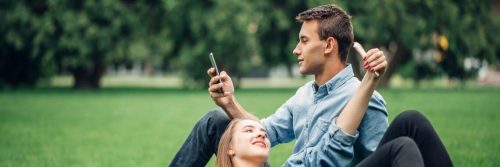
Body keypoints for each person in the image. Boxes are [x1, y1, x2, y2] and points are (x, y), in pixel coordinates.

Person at [170, 4, 389, 166]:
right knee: (215, 120)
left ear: (329, 45)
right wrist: (229, 102)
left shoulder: (366, 99)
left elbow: (378, 160)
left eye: (304, 41)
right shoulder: (304, 95)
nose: (296, 50)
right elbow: (264, 132)